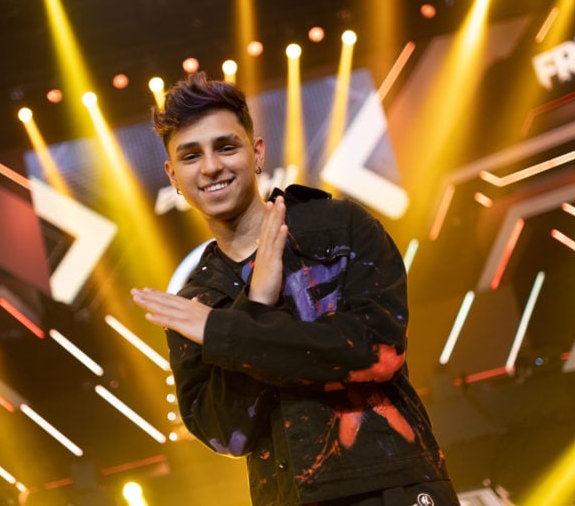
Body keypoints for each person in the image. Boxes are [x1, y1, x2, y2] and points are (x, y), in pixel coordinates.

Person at [131, 72, 458, 506]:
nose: (210, 167)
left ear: (257, 152)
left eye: (226, 147)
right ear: (173, 175)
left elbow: (378, 351)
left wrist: (225, 332)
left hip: (391, 483)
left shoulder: (339, 226)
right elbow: (225, 435)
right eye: (191, 156)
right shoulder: (197, 300)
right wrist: (256, 301)